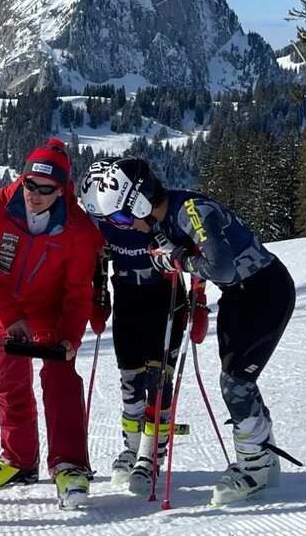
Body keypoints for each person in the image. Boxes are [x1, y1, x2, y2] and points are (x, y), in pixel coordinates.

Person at [80, 157, 297, 506]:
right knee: (238, 380)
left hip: (265, 292)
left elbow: (221, 267)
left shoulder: (191, 211)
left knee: (235, 384)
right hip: (240, 296)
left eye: (123, 216)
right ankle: (263, 458)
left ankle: (253, 468)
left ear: (139, 202)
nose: (125, 226)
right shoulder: (166, 215)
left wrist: (178, 260)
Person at [0, 138, 102, 511]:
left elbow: (78, 290)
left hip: (53, 315)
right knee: (11, 388)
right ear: (22, 178)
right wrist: (11, 317)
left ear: (61, 190)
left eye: (47, 189)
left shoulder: (76, 228)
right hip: (7, 313)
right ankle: (19, 460)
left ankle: (69, 464)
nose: (35, 194)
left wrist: (69, 336)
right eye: (30, 184)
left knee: (60, 385)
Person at [76, 156, 197, 496]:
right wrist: (98, 298)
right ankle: (131, 447)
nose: (115, 222)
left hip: (165, 297)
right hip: (128, 296)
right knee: (130, 378)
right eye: (103, 216)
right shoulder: (103, 221)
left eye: (116, 214)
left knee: (159, 381)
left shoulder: (149, 213)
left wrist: (199, 303)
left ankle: (151, 455)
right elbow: (99, 259)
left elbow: (196, 251)